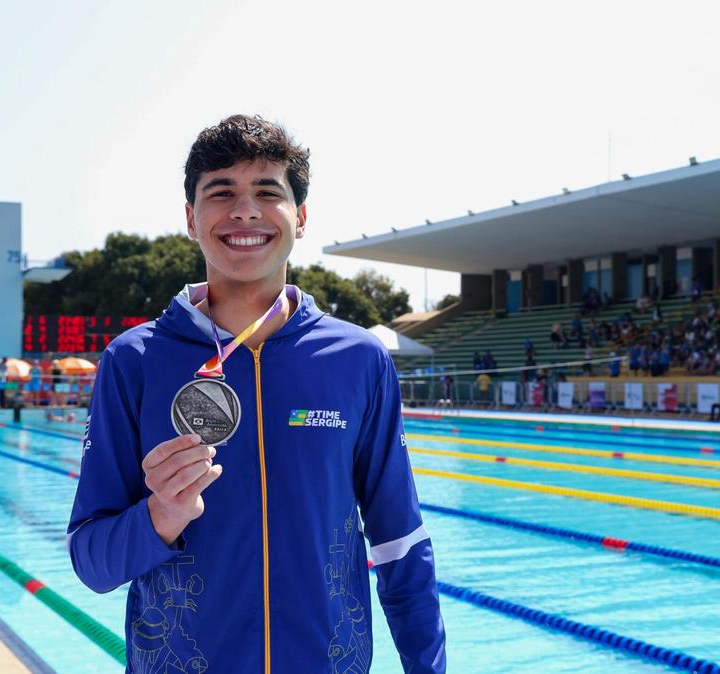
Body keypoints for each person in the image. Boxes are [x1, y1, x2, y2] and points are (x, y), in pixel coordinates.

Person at [67, 116, 444, 673]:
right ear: (192, 219)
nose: (245, 210)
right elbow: (91, 561)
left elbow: (400, 544)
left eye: (268, 192)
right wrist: (160, 515)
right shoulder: (135, 360)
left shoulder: (358, 360)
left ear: (301, 218)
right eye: (221, 193)